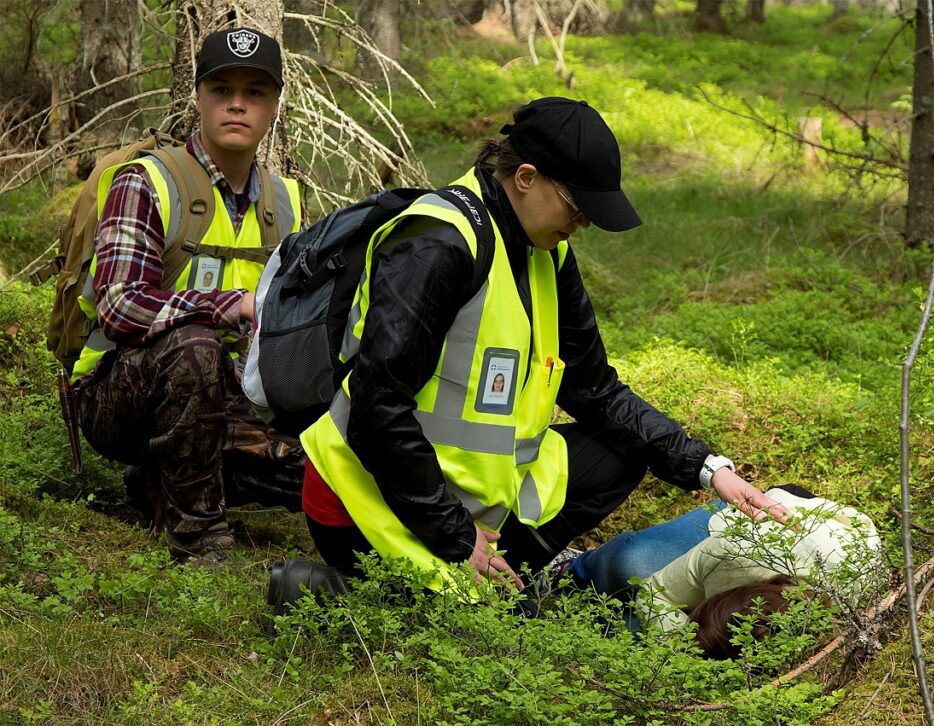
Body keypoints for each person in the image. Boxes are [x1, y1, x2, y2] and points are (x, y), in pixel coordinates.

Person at [275, 97, 790, 603]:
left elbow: (595, 390)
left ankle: (497, 581)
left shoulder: (545, 248)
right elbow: (376, 407)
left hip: (465, 500)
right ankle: (333, 591)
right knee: (445, 630)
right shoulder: (436, 246)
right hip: (366, 501)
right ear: (525, 177)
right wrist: (455, 535)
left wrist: (708, 468)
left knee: (621, 448)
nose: (583, 223)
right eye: (577, 205)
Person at [71, 28, 305, 566]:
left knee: (320, 474)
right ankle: (197, 533)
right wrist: (229, 305)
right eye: (221, 89)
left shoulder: (286, 202)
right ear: (197, 97)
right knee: (194, 345)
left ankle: (162, 477)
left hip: (230, 393)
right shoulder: (147, 181)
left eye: (255, 92)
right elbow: (120, 305)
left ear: (273, 105)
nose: (237, 104)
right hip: (120, 392)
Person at [555, 484, 881, 655]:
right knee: (629, 564)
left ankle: (598, 623)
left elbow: (861, 525)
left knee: (634, 631)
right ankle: (574, 570)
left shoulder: (846, 595)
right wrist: (682, 646)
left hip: (802, 533)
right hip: (751, 516)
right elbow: (656, 590)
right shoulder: (730, 552)